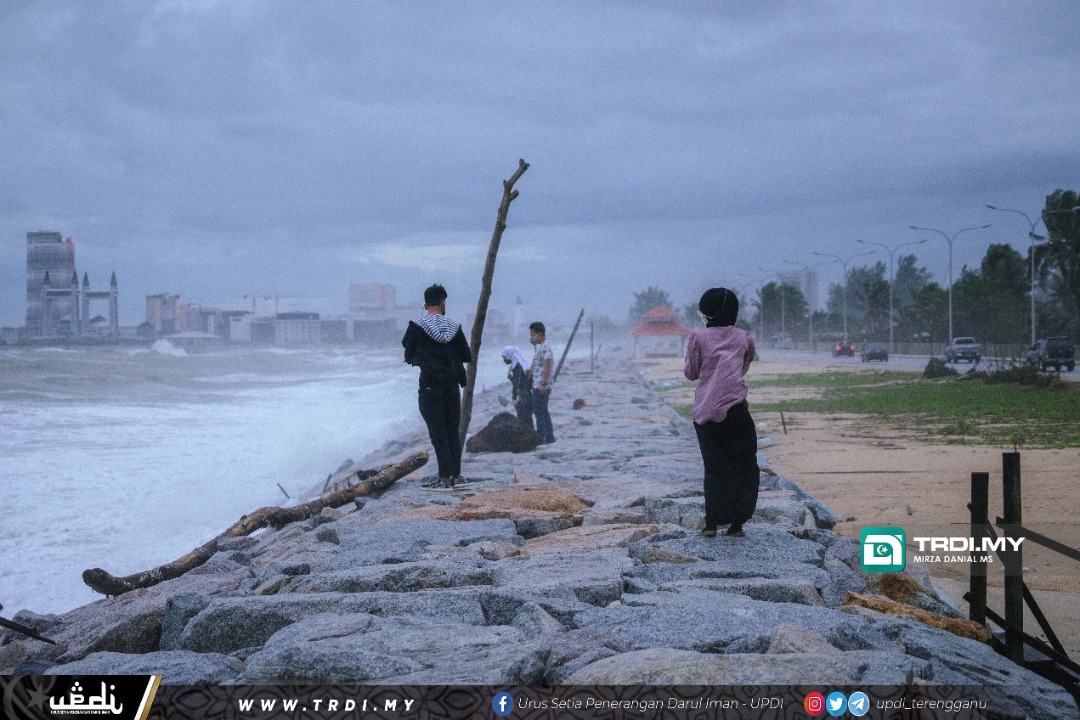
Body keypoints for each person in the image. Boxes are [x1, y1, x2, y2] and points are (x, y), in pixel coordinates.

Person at [683, 287, 760, 538]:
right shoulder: (744, 338)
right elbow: (744, 368)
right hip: (736, 409)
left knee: (714, 467)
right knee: (744, 465)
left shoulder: (697, 338)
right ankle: (737, 524)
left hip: (705, 412)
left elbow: (691, 373)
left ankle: (711, 523)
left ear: (706, 313)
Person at [402, 283, 471, 489]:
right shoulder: (454, 326)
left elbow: (408, 354)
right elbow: (466, 355)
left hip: (430, 386)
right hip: (452, 387)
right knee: (452, 431)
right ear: (442, 302)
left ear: (426, 305)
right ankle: (456, 475)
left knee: (437, 433)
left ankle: (443, 478)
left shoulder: (416, 326)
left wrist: (425, 359)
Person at [528, 321, 555, 444]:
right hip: (539, 383)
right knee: (542, 410)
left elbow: (547, 365)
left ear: (539, 334)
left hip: (541, 385)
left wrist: (543, 383)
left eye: (532, 334)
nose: (531, 337)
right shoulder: (541, 347)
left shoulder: (545, 347)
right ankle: (549, 437)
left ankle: (542, 437)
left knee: (539, 410)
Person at [500, 345, 534, 430]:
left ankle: (528, 438)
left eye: (505, 357)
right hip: (526, 395)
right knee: (527, 419)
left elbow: (518, 384)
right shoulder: (521, 364)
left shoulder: (518, 366)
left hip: (524, 397)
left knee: (523, 419)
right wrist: (514, 397)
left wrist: (509, 376)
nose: (504, 360)